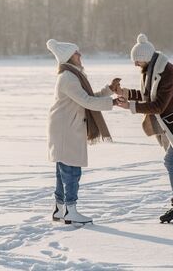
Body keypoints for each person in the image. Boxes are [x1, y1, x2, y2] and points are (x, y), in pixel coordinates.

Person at [115, 34, 173, 223]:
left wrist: (130, 107)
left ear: (146, 57)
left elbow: (158, 105)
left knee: (171, 161)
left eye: (137, 60)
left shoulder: (168, 73)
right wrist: (126, 93)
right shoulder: (152, 70)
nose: (135, 65)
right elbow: (148, 94)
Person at [46, 39, 121, 225]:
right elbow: (86, 101)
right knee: (71, 171)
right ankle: (70, 211)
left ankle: (60, 208)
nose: (80, 55)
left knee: (63, 170)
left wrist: (109, 90)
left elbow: (88, 98)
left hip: (67, 127)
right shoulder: (68, 78)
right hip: (66, 130)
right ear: (68, 57)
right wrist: (112, 102)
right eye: (77, 53)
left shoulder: (73, 76)